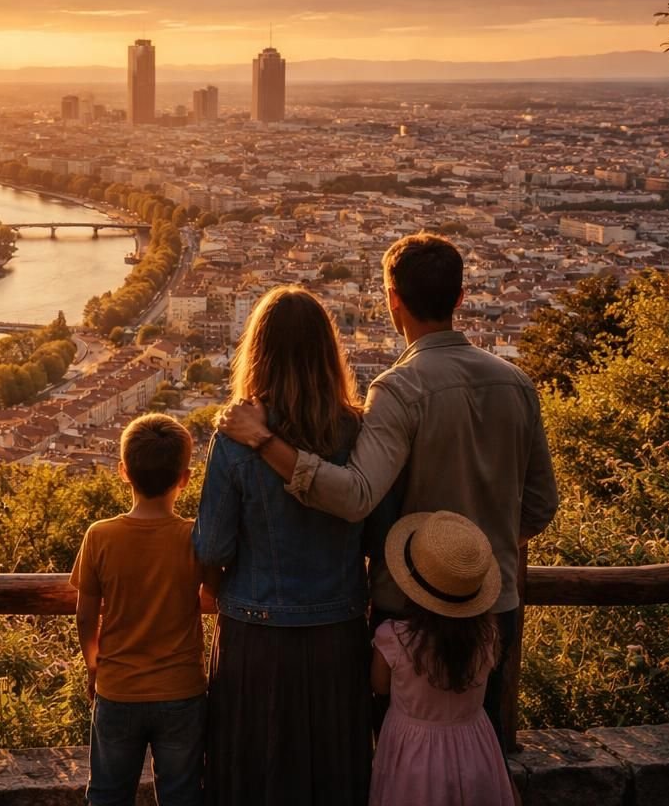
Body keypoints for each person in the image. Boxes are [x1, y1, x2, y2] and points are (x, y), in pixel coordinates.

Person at [220, 233, 559, 750]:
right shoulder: (516, 383)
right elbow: (540, 505)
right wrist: (478, 552)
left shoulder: (401, 390)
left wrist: (266, 442)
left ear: (391, 299)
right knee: (478, 744)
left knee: (408, 750)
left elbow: (355, 495)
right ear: (461, 298)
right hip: (495, 600)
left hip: (414, 609)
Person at [192, 286, 382, 806]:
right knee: (331, 773)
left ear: (258, 351)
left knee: (252, 773)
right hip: (337, 635)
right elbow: (374, 527)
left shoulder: (235, 433)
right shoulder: (355, 429)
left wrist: (211, 588)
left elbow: (212, 545)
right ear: (327, 351)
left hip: (255, 636)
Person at [71, 412, 207, 806]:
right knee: (182, 794)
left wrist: (94, 666)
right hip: (182, 689)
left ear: (123, 472)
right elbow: (213, 594)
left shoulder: (100, 536)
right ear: (184, 478)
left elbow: (85, 615)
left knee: (108, 794)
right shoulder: (193, 537)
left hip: (119, 688)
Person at [369, 511, 516, 806]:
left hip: (412, 754)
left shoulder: (394, 638)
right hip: (475, 746)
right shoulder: (487, 635)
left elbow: (380, 687)